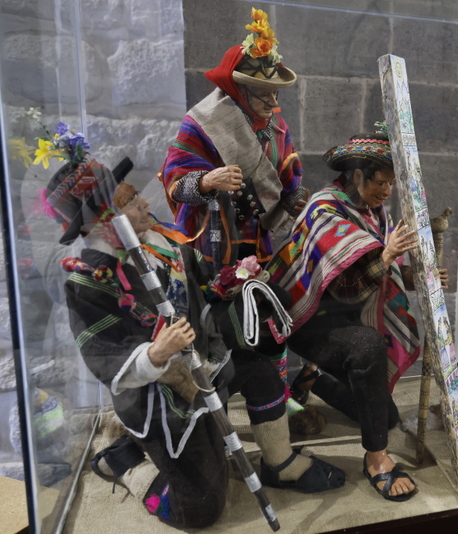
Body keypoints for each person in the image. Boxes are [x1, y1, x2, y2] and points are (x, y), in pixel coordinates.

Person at [63, 180, 344, 529]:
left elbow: (199, 282)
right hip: (164, 398)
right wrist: (154, 353)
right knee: (198, 510)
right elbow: (101, 351)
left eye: (136, 196)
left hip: (207, 364)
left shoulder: (160, 239)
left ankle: (279, 462)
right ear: (104, 221)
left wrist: (230, 283)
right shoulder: (90, 278)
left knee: (260, 373)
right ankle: (128, 466)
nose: (144, 203)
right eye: (131, 203)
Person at [267, 132, 422, 501]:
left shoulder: (375, 213)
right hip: (307, 320)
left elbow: (381, 275)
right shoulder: (324, 209)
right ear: (357, 177)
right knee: (368, 346)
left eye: (391, 184)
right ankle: (376, 458)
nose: (386, 191)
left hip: (345, 319)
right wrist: (385, 258)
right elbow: (344, 288)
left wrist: (418, 278)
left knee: (386, 419)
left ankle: (314, 380)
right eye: (380, 182)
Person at [160, 7, 307, 268]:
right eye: (264, 93)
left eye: (276, 93)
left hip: (260, 240)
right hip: (211, 240)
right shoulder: (203, 122)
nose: (273, 102)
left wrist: (295, 200)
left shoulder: (278, 126)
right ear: (240, 90)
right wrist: (207, 181)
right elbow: (176, 181)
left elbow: (287, 178)